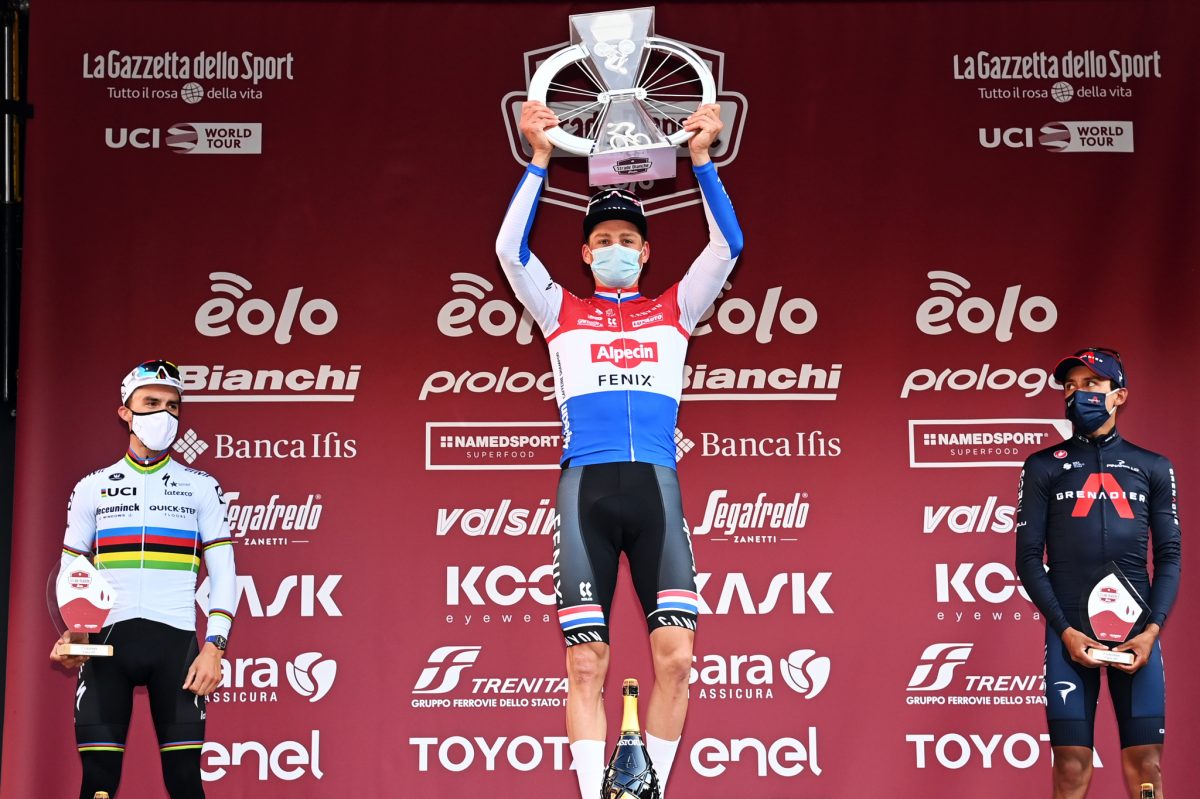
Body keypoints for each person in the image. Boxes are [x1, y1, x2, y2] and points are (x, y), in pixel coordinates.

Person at [496, 100, 743, 798]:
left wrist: (703, 159)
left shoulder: (675, 309)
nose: (615, 247)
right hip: (587, 493)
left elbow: (727, 247)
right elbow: (509, 252)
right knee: (586, 664)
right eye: (602, 238)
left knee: (678, 660)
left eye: (627, 239)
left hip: (655, 490)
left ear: (644, 251)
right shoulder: (559, 310)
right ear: (585, 252)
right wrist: (540, 157)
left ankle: (644, 790)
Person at [49, 359, 237, 799]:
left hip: (177, 645)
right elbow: (72, 567)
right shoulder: (91, 486)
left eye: (173, 406)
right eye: (151, 403)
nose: (164, 414)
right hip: (105, 647)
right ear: (125, 413)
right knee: (97, 783)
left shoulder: (201, 486)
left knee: (185, 782)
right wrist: (73, 631)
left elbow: (224, 571)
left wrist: (215, 647)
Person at [1015, 348, 1181, 799]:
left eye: (1092, 384)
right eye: (1070, 386)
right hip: (1068, 631)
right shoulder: (1042, 465)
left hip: (1137, 632)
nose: (1078, 394)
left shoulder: (1153, 466)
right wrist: (1065, 630)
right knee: (1070, 765)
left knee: (1147, 766)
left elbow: (1169, 555)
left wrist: (1151, 631)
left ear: (1119, 395)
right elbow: (1027, 558)